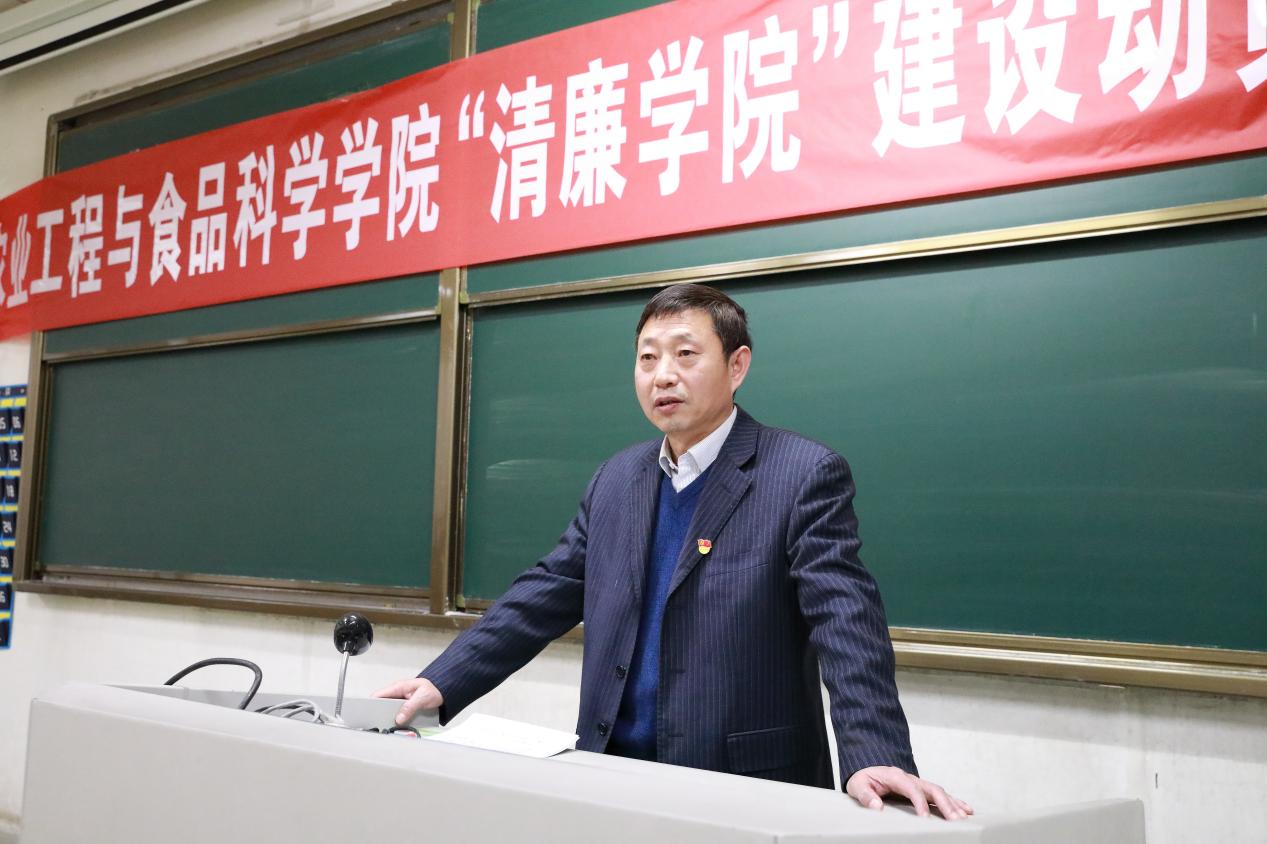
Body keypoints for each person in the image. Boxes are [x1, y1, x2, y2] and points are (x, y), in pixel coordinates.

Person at [375, 283, 972, 820]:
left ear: (737, 366)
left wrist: (875, 753)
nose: (663, 375)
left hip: (743, 788)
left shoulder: (801, 474)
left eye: (686, 354)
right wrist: (441, 682)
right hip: (610, 773)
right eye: (648, 358)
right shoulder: (617, 478)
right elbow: (545, 592)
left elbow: (846, 620)